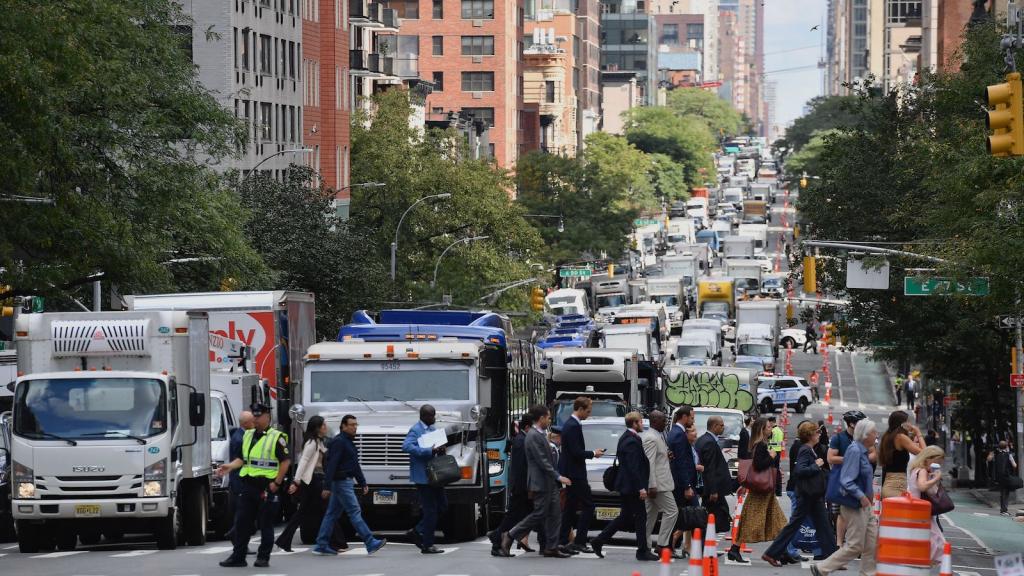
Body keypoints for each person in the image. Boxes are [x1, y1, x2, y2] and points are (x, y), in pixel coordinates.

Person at [216, 403, 291, 569]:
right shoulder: (248, 435)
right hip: (249, 485)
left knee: (265, 524)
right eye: (254, 416)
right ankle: (238, 556)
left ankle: (263, 557)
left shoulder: (276, 437)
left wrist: (277, 483)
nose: (255, 419)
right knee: (242, 523)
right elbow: (243, 459)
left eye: (258, 416)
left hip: (267, 486)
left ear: (267, 417)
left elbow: (285, 462)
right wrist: (229, 467)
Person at [499, 404, 572, 558]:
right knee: (539, 514)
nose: (550, 420)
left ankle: (551, 547)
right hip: (540, 482)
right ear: (541, 418)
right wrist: (558, 476)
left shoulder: (540, 434)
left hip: (549, 482)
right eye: (548, 417)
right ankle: (510, 535)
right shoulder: (532, 436)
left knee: (556, 514)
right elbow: (542, 461)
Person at [810, 419, 880, 576]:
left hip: (864, 504)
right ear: (866, 435)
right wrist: (861, 496)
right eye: (874, 432)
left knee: (872, 542)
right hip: (855, 504)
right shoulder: (855, 451)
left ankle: (869, 572)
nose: (876, 436)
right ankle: (822, 568)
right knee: (856, 545)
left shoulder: (861, 450)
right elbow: (847, 479)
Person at [763, 421, 837, 566]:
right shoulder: (805, 450)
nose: (819, 434)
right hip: (807, 495)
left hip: (812, 495)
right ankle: (771, 553)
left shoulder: (810, 449)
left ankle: (834, 559)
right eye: (817, 432)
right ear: (810, 435)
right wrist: (816, 465)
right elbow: (800, 471)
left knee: (824, 525)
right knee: (796, 525)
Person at [312, 415, 386, 556]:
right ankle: (370, 542)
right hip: (341, 482)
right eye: (351, 425)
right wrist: (327, 486)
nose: (354, 427)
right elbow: (332, 465)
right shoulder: (340, 442)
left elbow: (354, 465)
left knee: (332, 514)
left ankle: (321, 543)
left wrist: (362, 482)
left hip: (343, 481)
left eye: (356, 424)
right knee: (354, 511)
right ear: (343, 426)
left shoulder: (348, 442)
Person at [590, 412, 658, 561]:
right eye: (640, 422)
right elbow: (633, 467)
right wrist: (641, 487)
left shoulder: (628, 437)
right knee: (641, 517)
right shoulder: (631, 441)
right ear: (634, 423)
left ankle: (599, 540)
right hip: (631, 486)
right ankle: (642, 551)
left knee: (625, 517)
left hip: (628, 485)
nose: (642, 425)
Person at [276, 416, 347, 552]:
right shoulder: (311, 443)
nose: (326, 428)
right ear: (317, 428)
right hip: (313, 481)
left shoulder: (319, 442)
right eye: (324, 425)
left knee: (304, 512)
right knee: (328, 510)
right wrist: (296, 481)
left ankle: (283, 540)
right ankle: (338, 543)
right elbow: (303, 462)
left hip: (316, 479)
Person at [730, 417, 785, 564]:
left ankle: (785, 550)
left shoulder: (759, 444)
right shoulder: (760, 445)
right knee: (752, 521)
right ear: (761, 429)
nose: (771, 429)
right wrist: (771, 456)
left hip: (764, 491)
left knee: (778, 521)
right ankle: (735, 549)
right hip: (761, 490)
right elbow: (760, 465)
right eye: (768, 427)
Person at [558, 397, 605, 553]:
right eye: (588, 411)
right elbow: (576, 452)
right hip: (575, 473)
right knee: (588, 506)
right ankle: (579, 541)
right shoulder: (572, 426)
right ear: (580, 409)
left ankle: (563, 540)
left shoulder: (572, 425)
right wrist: (593, 453)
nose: (589, 415)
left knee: (570, 507)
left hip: (573, 472)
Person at [402, 404, 449, 554]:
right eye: (432, 415)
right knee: (430, 510)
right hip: (423, 477)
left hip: (435, 475)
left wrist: (441, 450)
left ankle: (417, 530)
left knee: (442, 506)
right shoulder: (416, 430)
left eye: (434, 415)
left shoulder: (433, 430)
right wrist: (428, 450)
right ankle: (428, 544)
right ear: (424, 416)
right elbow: (406, 446)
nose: (434, 418)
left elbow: (436, 448)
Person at [489, 415, 536, 555]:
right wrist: (528, 488)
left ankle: (509, 538)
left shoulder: (521, 439)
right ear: (527, 427)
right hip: (521, 487)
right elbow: (522, 469)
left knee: (527, 515)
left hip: (520, 486)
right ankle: (497, 538)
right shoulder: (522, 441)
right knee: (514, 516)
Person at [826, 410, 866, 547]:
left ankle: (855, 543)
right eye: (861, 422)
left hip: (860, 481)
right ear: (852, 424)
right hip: (842, 481)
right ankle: (839, 543)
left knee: (859, 512)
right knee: (841, 513)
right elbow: (830, 458)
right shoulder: (839, 438)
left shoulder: (864, 438)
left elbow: (873, 455)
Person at [696, 416, 735, 554]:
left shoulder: (703, 440)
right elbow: (710, 468)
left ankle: (706, 547)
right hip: (711, 489)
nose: (723, 427)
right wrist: (713, 490)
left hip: (709, 488)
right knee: (712, 518)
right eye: (721, 425)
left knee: (711, 517)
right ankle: (703, 548)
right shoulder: (709, 443)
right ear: (714, 426)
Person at [642, 410, 679, 554]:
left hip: (658, 484)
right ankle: (662, 544)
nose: (666, 423)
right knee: (672, 511)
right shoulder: (651, 437)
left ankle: (644, 544)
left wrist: (666, 455)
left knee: (650, 516)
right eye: (663, 421)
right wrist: (652, 485)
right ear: (655, 421)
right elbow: (649, 463)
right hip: (658, 485)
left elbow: (657, 458)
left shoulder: (658, 435)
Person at [907, 446, 948, 564]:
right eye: (936, 462)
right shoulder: (922, 471)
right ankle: (922, 565)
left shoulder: (916, 469)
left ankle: (921, 564)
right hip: (921, 511)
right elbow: (922, 486)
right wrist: (936, 479)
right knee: (938, 542)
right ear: (928, 459)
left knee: (932, 541)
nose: (937, 465)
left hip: (917, 509)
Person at [667, 406, 698, 557]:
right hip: (681, 484)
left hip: (680, 483)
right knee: (696, 514)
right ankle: (697, 548)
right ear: (684, 417)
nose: (693, 421)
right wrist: (687, 486)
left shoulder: (674, 432)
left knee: (680, 515)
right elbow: (681, 462)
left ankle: (673, 545)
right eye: (691, 418)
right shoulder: (679, 434)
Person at [878, 410, 925, 498]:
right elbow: (924, 453)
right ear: (902, 424)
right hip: (897, 484)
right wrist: (918, 433)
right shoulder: (900, 437)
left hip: (889, 482)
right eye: (907, 421)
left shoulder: (888, 436)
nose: (910, 424)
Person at [224, 410, 254, 543]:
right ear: (247, 423)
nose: (254, 423)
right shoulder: (240, 438)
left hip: (240, 480)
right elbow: (241, 460)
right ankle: (235, 535)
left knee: (245, 514)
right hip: (240, 481)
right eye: (252, 421)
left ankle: (237, 537)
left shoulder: (242, 435)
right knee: (243, 514)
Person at [992, 440, 1019, 516]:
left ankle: (1002, 509)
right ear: (1006, 446)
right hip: (1006, 476)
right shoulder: (1008, 455)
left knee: (1002, 493)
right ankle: (1004, 510)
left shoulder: (996, 454)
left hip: (999, 477)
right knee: (1006, 493)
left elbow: (992, 463)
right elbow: (1014, 465)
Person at [768, 415, 785, 497]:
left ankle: (772, 490)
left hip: (772, 452)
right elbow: (780, 442)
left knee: (771, 472)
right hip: (778, 452)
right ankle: (778, 490)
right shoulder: (780, 431)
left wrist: (767, 445)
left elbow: (770, 442)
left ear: (771, 422)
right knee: (777, 471)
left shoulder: (772, 431)